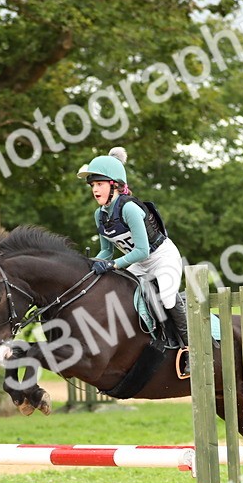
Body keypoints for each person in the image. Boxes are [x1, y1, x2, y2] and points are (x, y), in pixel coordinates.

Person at [79, 147, 189, 354]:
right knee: (119, 293)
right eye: (93, 185)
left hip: (161, 257)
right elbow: (106, 252)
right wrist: (89, 264)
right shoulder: (100, 214)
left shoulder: (129, 208)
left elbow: (142, 251)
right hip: (139, 263)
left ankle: (191, 346)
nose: (95, 190)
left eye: (99, 184)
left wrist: (112, 265)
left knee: (166, 296)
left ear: (115, 186)